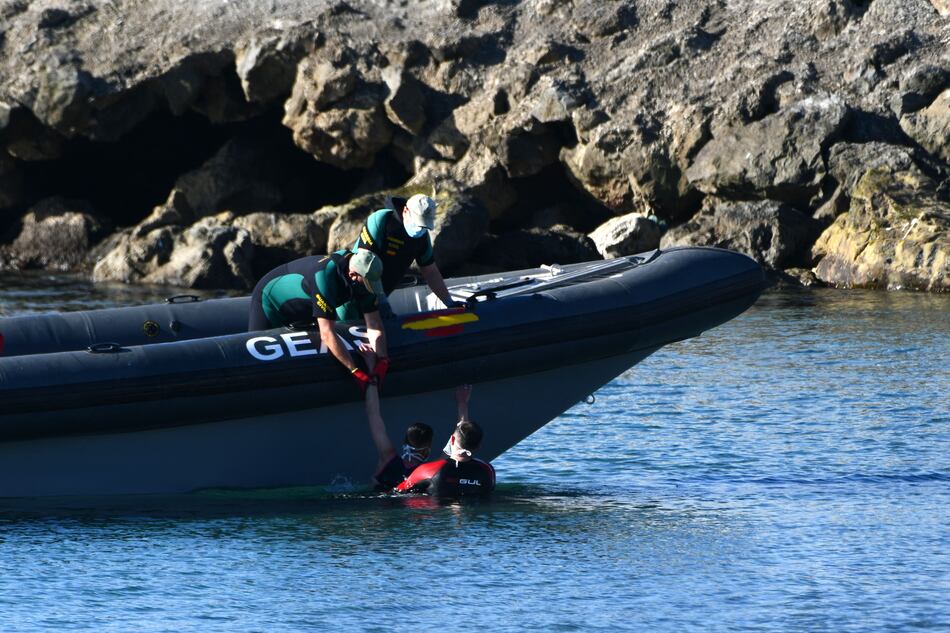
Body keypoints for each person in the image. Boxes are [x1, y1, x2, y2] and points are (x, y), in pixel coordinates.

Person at [247, 249, 389, 391]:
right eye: (367, 283)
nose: (368, 287)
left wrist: (382, 360)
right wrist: (355, 371)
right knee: (258, 368)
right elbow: (327, 334)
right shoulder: (325, 277)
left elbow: (374, 324)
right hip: (270, 301)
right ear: (352, 275)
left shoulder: (364, 280)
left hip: (306, 306)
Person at [344, 193, 460, 319]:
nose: (419, 230)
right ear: (405, 211)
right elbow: (364, 264)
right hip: (351, 292)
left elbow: (430, 271)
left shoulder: (422, 237)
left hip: (378, 300)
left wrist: (449, 302)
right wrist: (382, 301)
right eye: (417, 224)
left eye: (424, 226)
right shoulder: (382, 220)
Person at [395, 384, 495, 497]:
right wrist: (463, 404)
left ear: (452, 440)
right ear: (478, 446)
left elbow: (398, 492)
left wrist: (462, 403)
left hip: (438, 512)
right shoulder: (487, 471)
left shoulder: (428, 470)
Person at [364, 380, 433, 491]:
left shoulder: (387, 456)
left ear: (405, 441)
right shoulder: (427, 472)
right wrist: (462, 404)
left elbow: (373, 414)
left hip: (378, 503)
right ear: (428, 448)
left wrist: (372, 381)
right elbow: (457, 443)